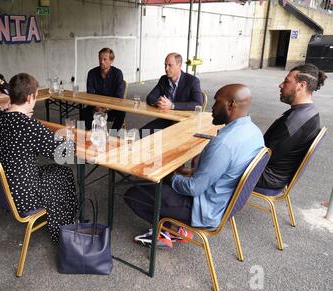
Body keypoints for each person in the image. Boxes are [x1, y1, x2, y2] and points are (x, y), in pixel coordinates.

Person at [124, 84, 264, 248]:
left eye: (216, 101)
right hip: (223, 201)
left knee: (134, 193)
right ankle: (173, 226)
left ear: (231, 104)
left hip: (205, 209)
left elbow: (193, 189)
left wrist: (171, 176)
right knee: (162, 181)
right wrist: (190, 171)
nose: (212, 107)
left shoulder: (224, 144)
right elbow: (225, 172)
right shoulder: (254, 132)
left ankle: (171, 231)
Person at [0, 73, 77, 243]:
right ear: (30, 97)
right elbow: (62, 154)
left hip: (1, 186)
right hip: (23, 195)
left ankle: (63, 224)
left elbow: (11, 122)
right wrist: (72, 139)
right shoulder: (29, 126)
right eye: (36, 96)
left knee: (58, 172)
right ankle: (64, 231)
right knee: (64, 174)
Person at [256, 64, 327, 190]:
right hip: (276, 173)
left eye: (286, 81)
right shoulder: (310, 111)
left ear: (301, 85)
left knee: (219, 161)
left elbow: (265, 156)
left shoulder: (295, 122)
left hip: (268, 176)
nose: (281, 85)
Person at [141, 53, 204, 135]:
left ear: (179, 66)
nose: (166, 68)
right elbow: (150, 97)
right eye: (165, 65)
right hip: (166, 119)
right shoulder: (164, 79)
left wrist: (172, 106)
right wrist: (159, 102)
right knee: (141, 133)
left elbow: (198, 104)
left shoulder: (192, 81)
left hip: (184, 122)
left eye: (170, 65)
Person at [80, 48, 126, 131]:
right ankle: (91, 134)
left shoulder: (118, 73)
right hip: (96, 106)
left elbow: (119, 96)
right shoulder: (92, 73)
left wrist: (106, 108)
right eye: (100, 59)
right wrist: (97, 107)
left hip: (111, 108)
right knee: (84, 112)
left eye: (105, 59)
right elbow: (90, 94)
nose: (101, 62)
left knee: (122, 112)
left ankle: (113, 135)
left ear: (111, 61)